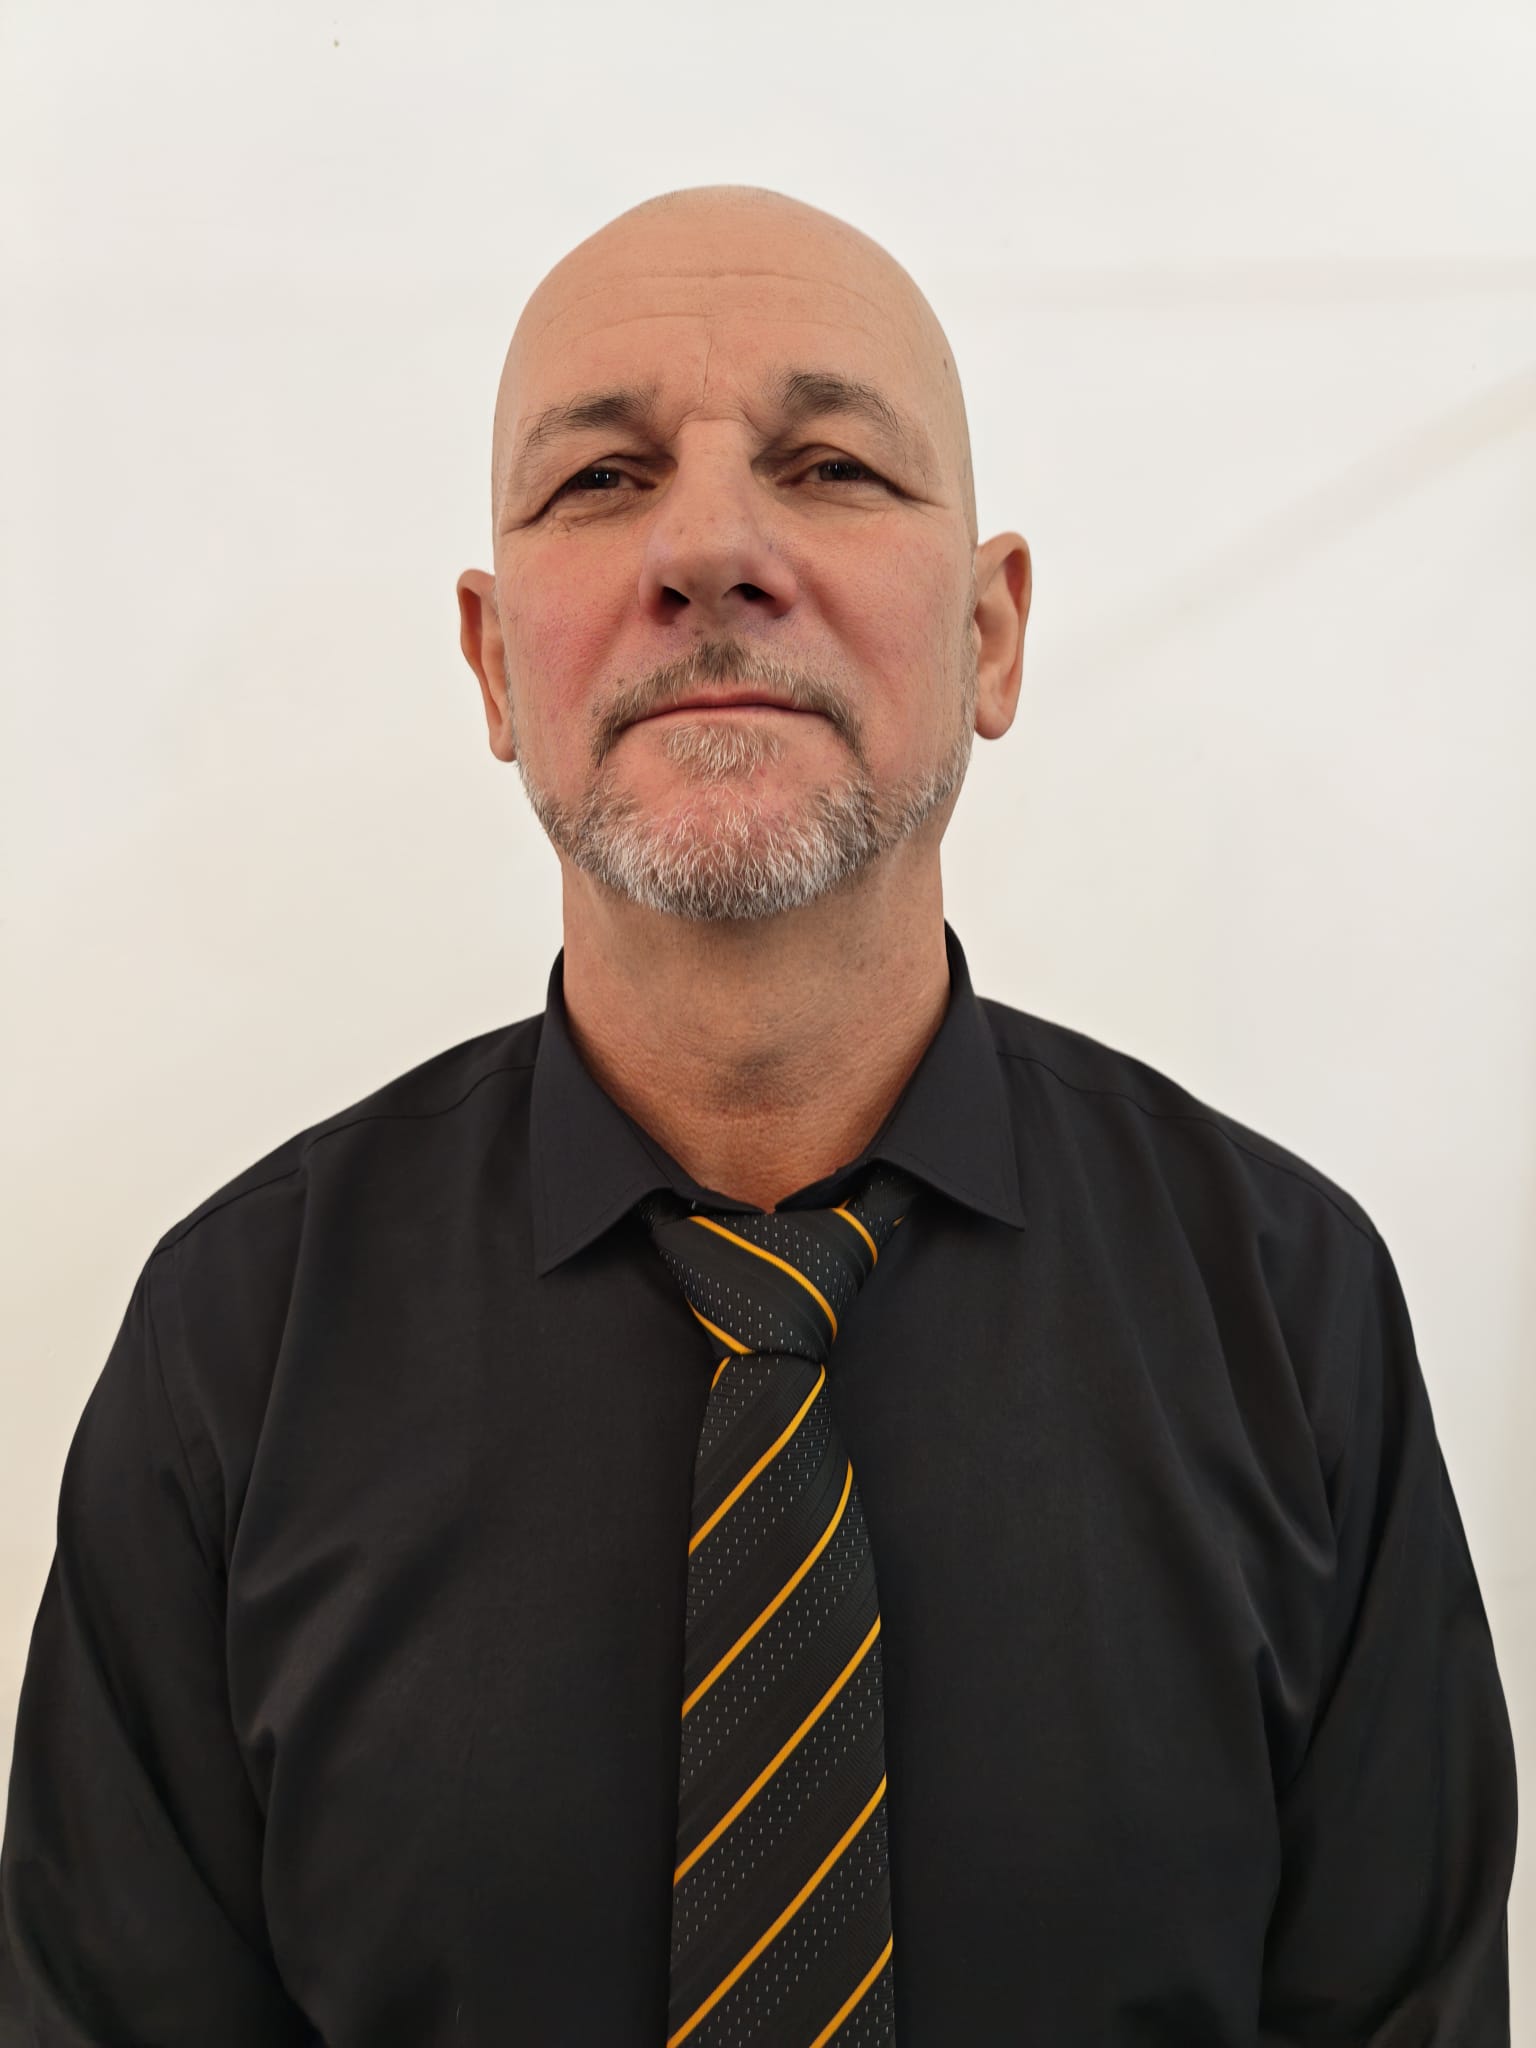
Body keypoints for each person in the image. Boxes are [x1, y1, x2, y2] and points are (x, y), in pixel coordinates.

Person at [0, 185, 1516, 2047]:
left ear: (992, 635)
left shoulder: (1290, 1314)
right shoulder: (233, 1348)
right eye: (601, 480)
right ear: (493, 662)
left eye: (830, 467)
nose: (712, 547)